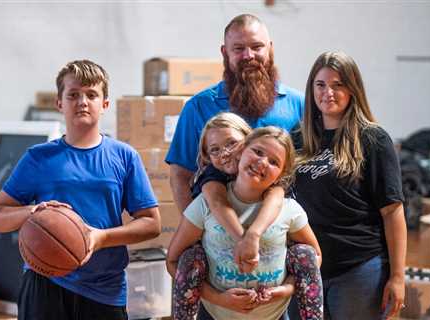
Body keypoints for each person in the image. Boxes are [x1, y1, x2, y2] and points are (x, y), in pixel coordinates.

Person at [0, 60, 161, 320]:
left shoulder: (124, 156)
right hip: (45, 282)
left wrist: (100, 238)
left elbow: (151, 223)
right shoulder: (38, 158)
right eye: (73, 94)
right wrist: (33, 212)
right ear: (60, 103)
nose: (82, 101)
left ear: (104, 105)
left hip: (105, 288)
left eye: (91, 95)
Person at [166, 12, 304, 278]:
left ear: (271, 49)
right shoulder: (198, 106)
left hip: (278, 252)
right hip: (216, 253)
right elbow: (180, 176)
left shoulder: (298, 104)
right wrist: (198, 232)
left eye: (257, 47)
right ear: (224, 53)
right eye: (238, 49)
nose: (249, 55)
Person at [173, 112, 323, 320]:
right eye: (215, 149)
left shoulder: (282, 197)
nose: (225, 153)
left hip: (272, 312)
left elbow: (277, 196)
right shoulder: (211, 183)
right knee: (190, 257)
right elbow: (216, 202)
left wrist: (287, 288)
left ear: (243, 143)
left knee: (305, 252)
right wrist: (219, 297)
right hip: (218, 310)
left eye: (231, 144)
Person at [293, 51, 407, 319]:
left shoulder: (373, 139)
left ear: (353, 89)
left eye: (338, 85)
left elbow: (392, 212)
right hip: (307, 269)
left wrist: (398, 277)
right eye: (321, 85)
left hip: (359, 270)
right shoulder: (298, 138)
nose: (328, 92)